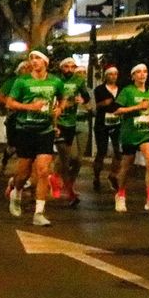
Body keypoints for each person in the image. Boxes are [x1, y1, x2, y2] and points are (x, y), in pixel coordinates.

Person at [0, 50, 61, 226]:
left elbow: (62, 99)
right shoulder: (22, 81)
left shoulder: (55, 81)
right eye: (32, 58)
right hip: (25, 130)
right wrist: (30, 107)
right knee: (23, 173)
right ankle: (16, 192)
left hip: (45, 130)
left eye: (38, 58)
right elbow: (9, 102)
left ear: (45, 62)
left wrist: (59, 109)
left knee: (43, 171)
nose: (34, 61)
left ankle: (39, 213)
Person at [111, 63, 149, 213]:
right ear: (133, 76)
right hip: (130, 133)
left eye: (145, 72)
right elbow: (116, 110)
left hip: (146, 133)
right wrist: (137, 107)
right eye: (139, 72)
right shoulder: (127, 91)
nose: (142, 74)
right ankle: (120, 195)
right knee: (127, 167)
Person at [54, 57, 90, 206]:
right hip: (58, 123)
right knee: (65, 159)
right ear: (61, 68)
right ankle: (70, 193)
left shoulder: (79, 81)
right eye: (66, 66)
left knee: (74, 159)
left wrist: (82, 101)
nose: (69, 69)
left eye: (72, 67)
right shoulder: (55, 81)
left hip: (71, 123)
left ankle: (56, 179)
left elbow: (86, 97)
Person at [91, 66, 122, 192]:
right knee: (102, 151)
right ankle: (96, 177)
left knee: (118, 151)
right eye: (111, 74)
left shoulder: (121, 90)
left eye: (115, 74)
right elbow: (95, 105)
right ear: (106, 76)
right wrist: (103, 103)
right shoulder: (99, 89)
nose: (113, 76)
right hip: (102, 123)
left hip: (117, 122)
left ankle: (113, 175)